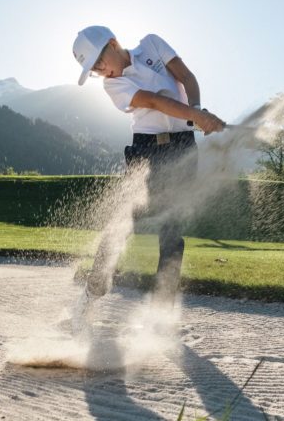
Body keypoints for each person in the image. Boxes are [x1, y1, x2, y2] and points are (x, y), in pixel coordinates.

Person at [72, 25, 226, 304]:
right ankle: (91, 293)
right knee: (125, 219)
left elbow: (186, 77)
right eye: (93, 69)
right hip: (146, 150)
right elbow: (155, 102)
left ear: (113, 43)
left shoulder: (152, 44)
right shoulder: (113, 84)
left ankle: (162, 308)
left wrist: (199, 110)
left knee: (172, 227)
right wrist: (195, 116)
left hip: (182, 147)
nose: (99, 70)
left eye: (98, 61)